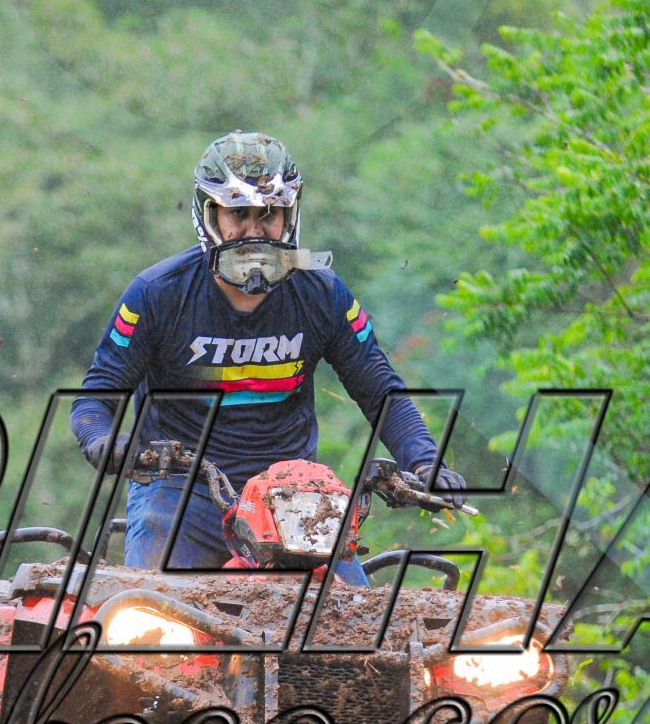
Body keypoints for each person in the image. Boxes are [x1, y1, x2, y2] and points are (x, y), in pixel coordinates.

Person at [70, 130, 465, 583]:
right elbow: (95, 398)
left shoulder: (322, 291)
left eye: (269, 214)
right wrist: (102, 439)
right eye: (238, 213)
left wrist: (425, 461)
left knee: (354, 615)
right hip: (180, 489)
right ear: (209, 215)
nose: (254, 231)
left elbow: (380, 390)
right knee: (146, 611)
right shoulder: (156, 293)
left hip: (293, 494)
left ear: (289, 217)